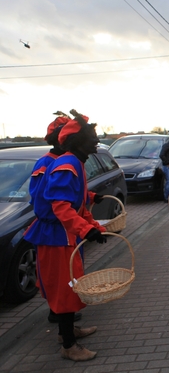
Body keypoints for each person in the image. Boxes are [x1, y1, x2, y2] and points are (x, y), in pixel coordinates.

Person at [24, 110, 107, 361]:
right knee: (65, 289)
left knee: (71, 285)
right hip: (56, 234)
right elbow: (57, 206)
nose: (97, 140)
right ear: (76, 140)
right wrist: (86, 228)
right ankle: (68, 346)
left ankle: (67, 331)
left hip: (66, 234)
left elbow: (76, 202)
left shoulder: (75, 162)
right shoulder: (65, 164)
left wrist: (93, 225)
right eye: (92, 136)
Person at [31, 113, 88, 325]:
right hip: (56, 230)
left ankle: (67, 323)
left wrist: (90, 199)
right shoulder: (48, 162)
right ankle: (63, 328)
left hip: (69, 229)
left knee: (71, 279)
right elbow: (45, 199)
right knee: (62, 282)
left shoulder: (69, 160)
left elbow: (72, 192)